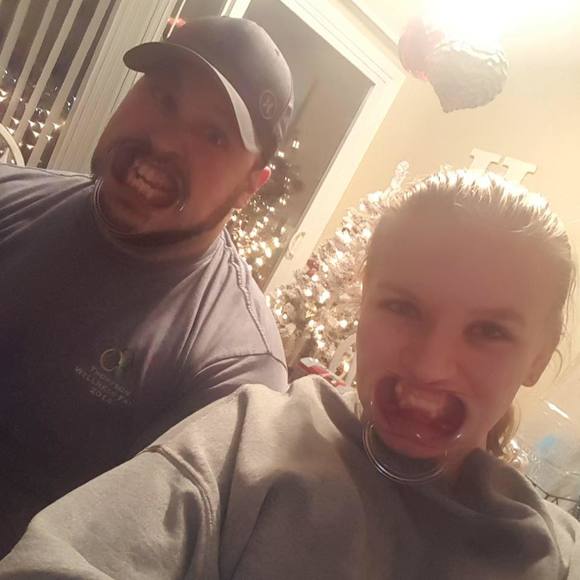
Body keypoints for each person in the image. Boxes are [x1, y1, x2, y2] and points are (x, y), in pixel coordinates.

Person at [2, 170, 579, 579]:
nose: (430, 365)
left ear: (538, 356)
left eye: (490, 331)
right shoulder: (247, 441)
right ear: (365, 300)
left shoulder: (558, 556)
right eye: (403, 307)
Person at [0, 16, 294, 556]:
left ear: (251, 186)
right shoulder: (9, 195)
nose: (164, 140)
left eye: (214, 135)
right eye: (163, 98)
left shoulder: (235, 373)